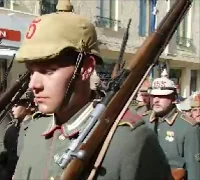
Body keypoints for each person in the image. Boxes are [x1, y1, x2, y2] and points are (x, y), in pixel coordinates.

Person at [13, 3, 171, 179]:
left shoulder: (130, 139)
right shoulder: (34, 129)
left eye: (49, 71)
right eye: (31, 71)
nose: (33, 84)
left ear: (86, 68)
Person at [142, 69, 200, 179]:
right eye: (153, 96)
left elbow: (194, 169)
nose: (156, 100)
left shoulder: (188, 127)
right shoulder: (143, 120)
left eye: (162, 96)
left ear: (173, 98)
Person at [3, 92, 35, 178]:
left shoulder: (35, 127)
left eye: (16, 105)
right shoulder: (11, 129)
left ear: (27, 105)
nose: (12, 109)